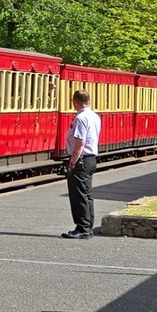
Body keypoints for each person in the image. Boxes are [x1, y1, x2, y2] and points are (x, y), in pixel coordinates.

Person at [60, 89, 101, 239]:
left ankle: (82, 227)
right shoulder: (94, 116)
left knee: (79, 195)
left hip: (81, 160)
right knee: (86, 194)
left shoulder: (81, 118)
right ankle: (87, 226)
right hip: (90, 159)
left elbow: (80, 142)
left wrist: (73, 161)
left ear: (75, 102)